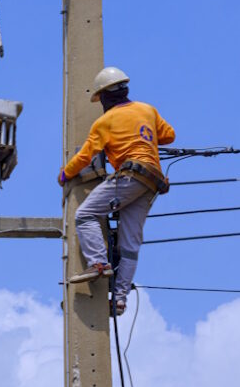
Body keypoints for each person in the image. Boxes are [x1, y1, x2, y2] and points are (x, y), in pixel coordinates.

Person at [58, 67, 175, 315]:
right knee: (130, 243)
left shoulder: (104, 122)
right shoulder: (147, 109)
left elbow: (85, 156)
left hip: (130, 177)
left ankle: (98, 263)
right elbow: (169, 136)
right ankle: (119, 299)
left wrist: (65, 174)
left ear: (105, 97)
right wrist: (144, 135)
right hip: (151, 182)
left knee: (86, 214)